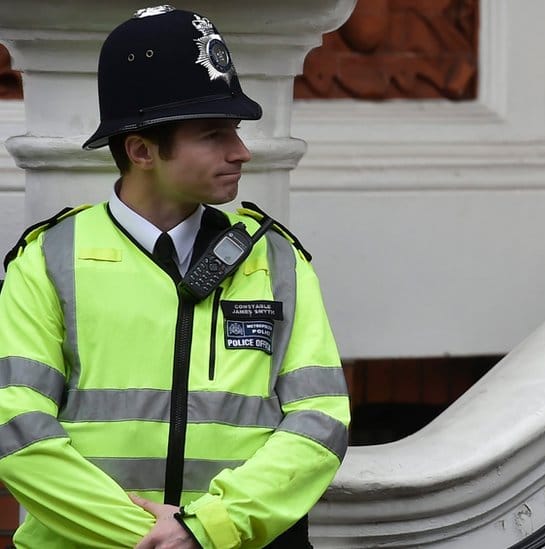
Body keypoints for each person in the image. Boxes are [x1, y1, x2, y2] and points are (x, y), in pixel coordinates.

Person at [0, 5, 349, 548]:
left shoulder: (276, 259)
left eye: (235, 129)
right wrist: (156, 537)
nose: (241, 151)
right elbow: (15, 429)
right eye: (213, 134)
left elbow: (320, 422)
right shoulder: (48, 259)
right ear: (141, 150)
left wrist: (206, 530)